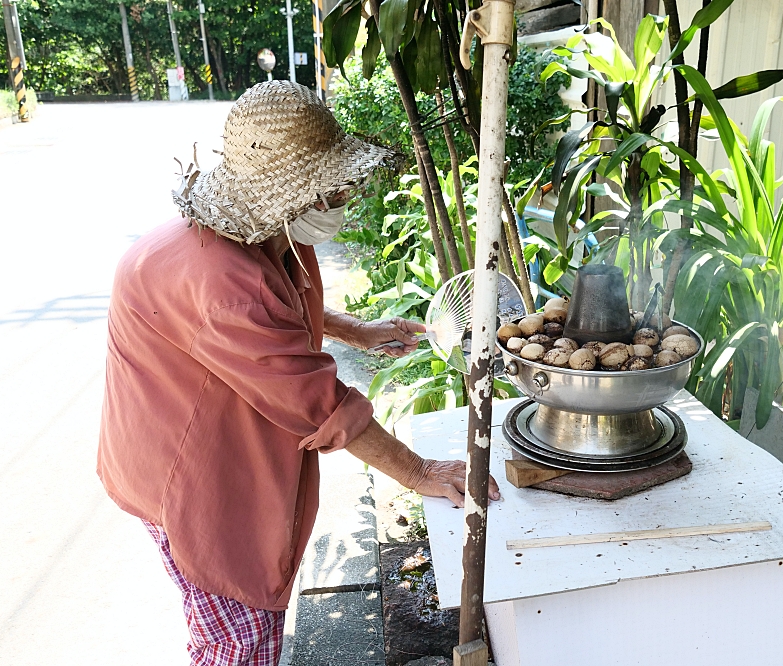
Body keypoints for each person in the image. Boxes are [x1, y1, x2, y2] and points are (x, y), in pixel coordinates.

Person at [97, 81, 499, 666]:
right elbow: (321, 403)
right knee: (238, 640)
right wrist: (418, 470)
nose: (343, 197)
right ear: (293, 198)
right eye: (332, 190)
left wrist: (354, 329)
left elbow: (280, 305)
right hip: (184, 470)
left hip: (176, 434)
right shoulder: (223, 285)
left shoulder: (266, 234)